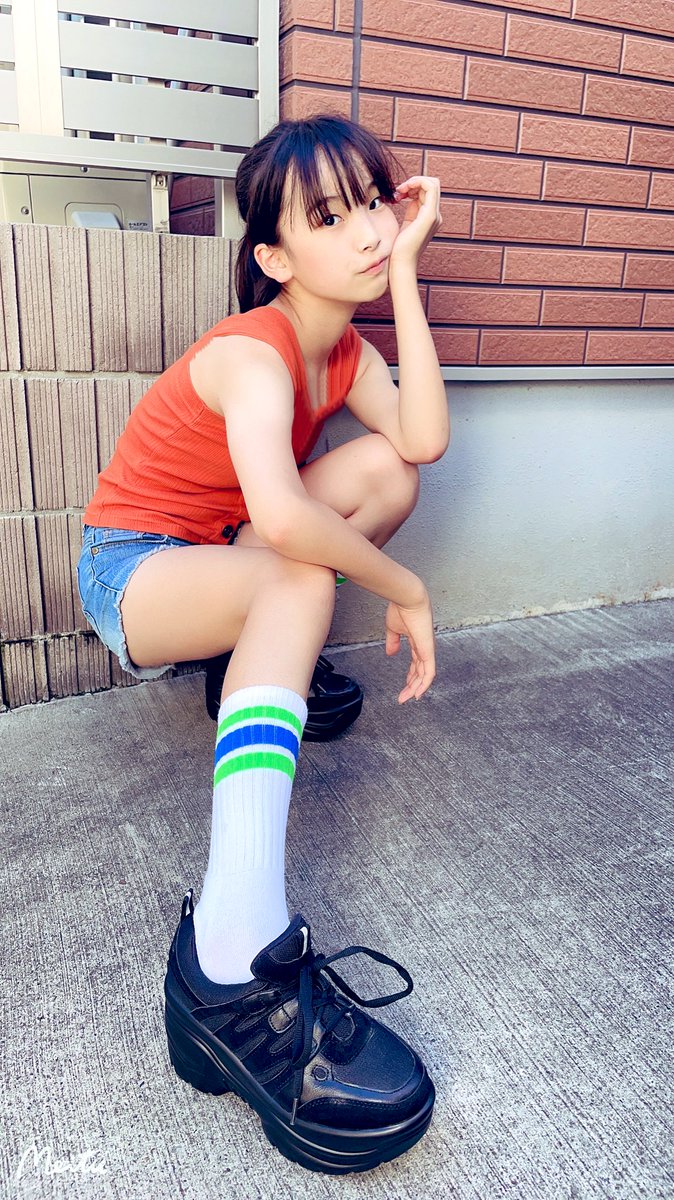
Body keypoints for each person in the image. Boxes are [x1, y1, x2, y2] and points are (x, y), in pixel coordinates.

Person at [76, 114, 450, 1175]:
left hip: (216, 551)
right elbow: (285, 523)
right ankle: (229, 958)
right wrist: (405, 588)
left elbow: (421, 439)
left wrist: (407, 272)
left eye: (371, 203)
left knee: (387, 473)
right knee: (298, 572)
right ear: (275, 258)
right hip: (134, 568)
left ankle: (248, 663)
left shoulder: (344, 351)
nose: (367, 230)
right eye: (328, 218)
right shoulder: (253, 351)